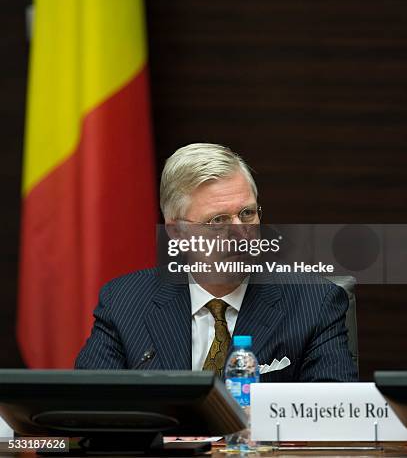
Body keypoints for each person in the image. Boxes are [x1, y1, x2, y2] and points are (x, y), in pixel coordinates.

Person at [75, 143, 358, 381]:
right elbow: (89, 409)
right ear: (177, 232)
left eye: (247, 214)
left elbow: (335, 418)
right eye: (218, 220)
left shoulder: (314, 303)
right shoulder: (125, 302)